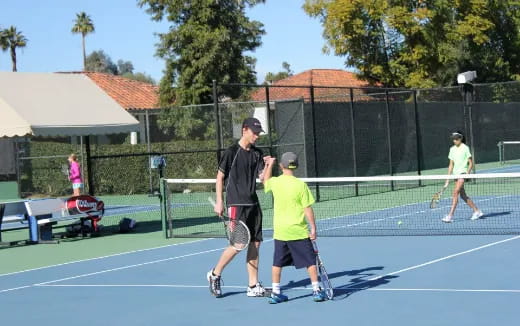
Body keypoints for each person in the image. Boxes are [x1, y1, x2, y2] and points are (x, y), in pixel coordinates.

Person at [207, 118, 270, 298]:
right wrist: (220, 201)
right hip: (236, 204)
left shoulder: (257, 153)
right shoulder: (231, 152)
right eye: (254, 132)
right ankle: (214, 274)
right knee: (238, 244)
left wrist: (268, 165)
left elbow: (264, 179)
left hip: (254, 204)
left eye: (258, 133)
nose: (257, 136)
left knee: (255, 244)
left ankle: (253, 285)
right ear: (244, 130)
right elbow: (219, 178)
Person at [262, 152, 327, 303]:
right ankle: (316, 290)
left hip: (280, 232)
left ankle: (276, 292)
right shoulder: (300, 185)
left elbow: (265, 180)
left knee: (277, 263)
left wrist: (269, 164)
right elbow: (307, 209)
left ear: (281, 165)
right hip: (298, 231)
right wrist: (313, 228)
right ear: (296, 166)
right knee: (310, 261)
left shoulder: (276, 182)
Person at [442, 132, 483, 223]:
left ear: (460, 139)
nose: (454, 140)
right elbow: (451, 165)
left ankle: (450, 215)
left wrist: (467, 173)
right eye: (453, 139)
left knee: (455, 192)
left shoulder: (465, 148)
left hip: (462, 173)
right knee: (463, 195)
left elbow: (471, 163)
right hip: (455, 174)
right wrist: (447, 179)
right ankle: (477, 211)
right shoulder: (452, 149)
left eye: (456, 138)